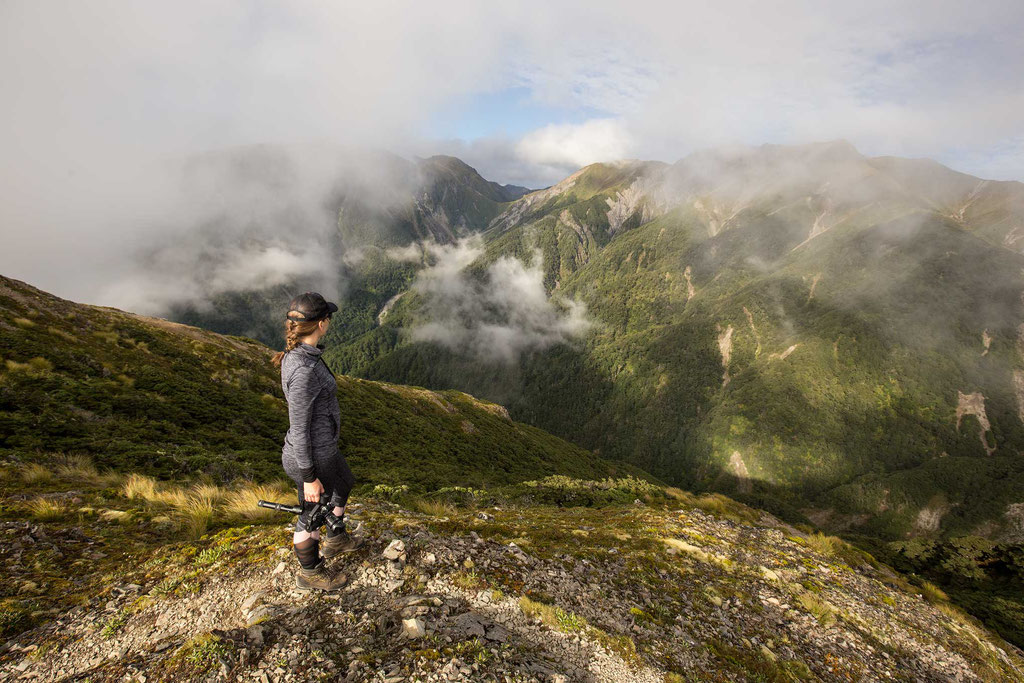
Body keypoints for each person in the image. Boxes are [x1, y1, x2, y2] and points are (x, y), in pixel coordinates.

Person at [271, 291, 363, 591]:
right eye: (329, 318)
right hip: (310, 456)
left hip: (322, 449)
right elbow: (298, 428)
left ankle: (336, 538)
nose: (331, 322)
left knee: (345, 481)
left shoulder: (301, 355)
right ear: (321, 323)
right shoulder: (303, 370)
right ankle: (310, 572)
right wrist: (309, 477)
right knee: (310, 513)